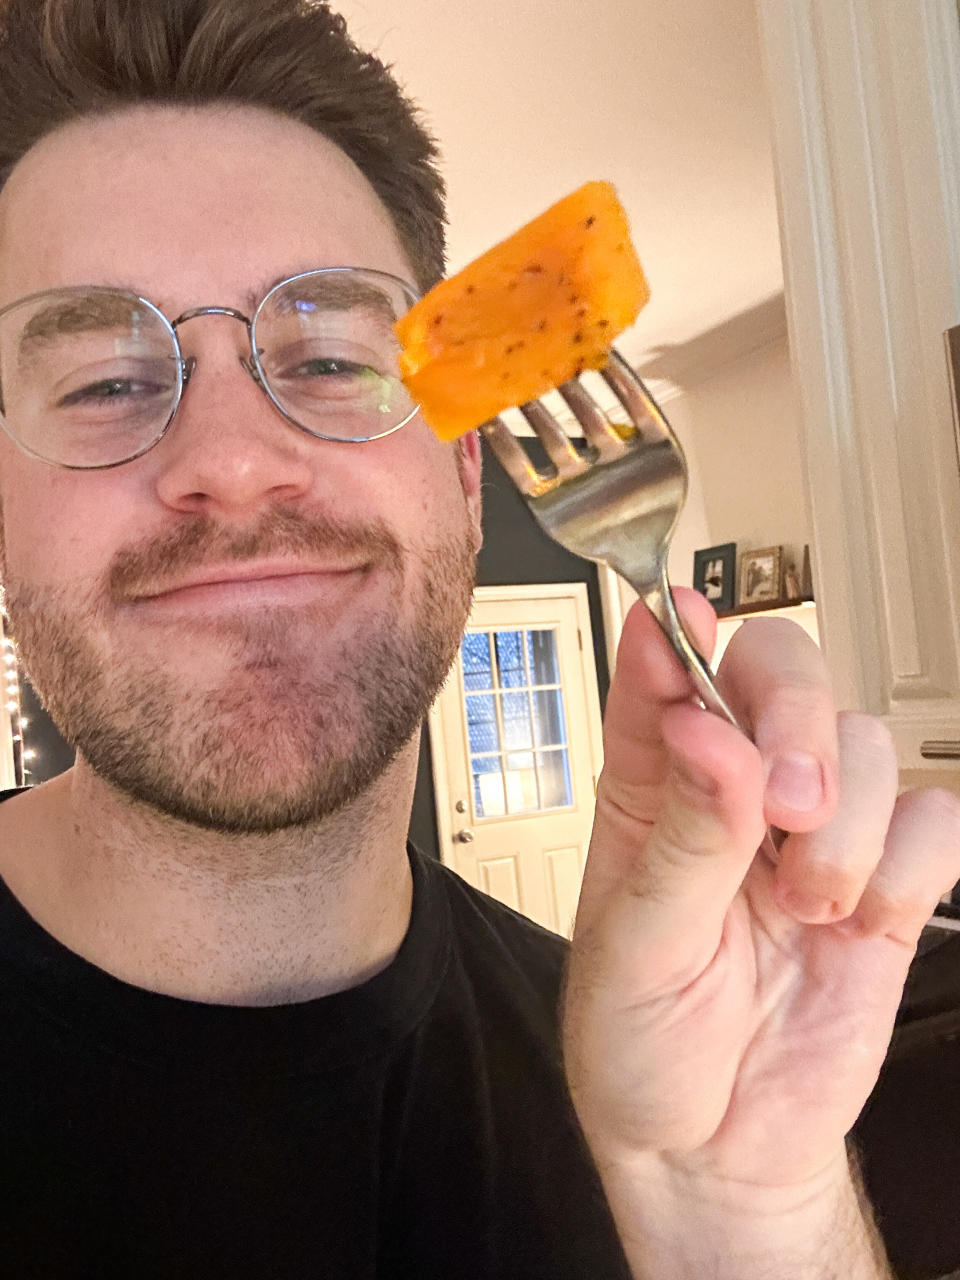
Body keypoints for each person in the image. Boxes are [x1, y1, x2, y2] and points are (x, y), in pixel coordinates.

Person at [0, 2, 957, 1277]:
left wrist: (743, 1210)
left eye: (333, 359)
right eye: (106, 383)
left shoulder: (651, 1077)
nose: (232, 464)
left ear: (465, 468)